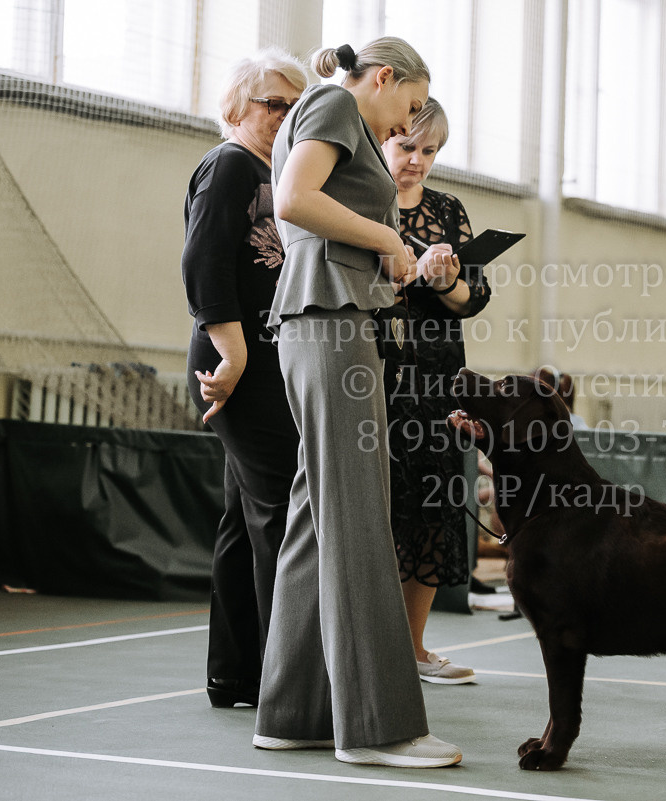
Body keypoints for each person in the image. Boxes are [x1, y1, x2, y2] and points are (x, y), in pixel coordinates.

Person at [252, 38, 461, 768]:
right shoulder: (336, 104)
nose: (406, 126)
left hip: (328, 317)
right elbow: (294, 201)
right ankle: (380, 727)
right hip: (329, 325)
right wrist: (389, 238)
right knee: (359, 514)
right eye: (409, 106)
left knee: (318, 516)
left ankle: (294, 712)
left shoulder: (335, 113)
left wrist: (382, 257)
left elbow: (311, 218)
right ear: (383, 78)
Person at [180, 48, 307, 709]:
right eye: (272, 103)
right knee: (281, 511)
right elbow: (204, 264)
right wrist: (232, 356)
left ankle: (237, 673)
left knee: (244, 516)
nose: (285, 115)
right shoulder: (229, 164)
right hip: (236, 364)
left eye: (294, 105)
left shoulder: (274, 173)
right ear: (236, 108)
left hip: (260, 362)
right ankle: (284, 678)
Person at [379, 98, 490, 685]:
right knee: (380, 508)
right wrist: (406, 274)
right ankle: (366, 646)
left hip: (439, 380)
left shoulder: (448, 209)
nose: (417, 161)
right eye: (407, 147)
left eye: (430, 151)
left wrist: (446, 282)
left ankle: (414, 648)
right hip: (376, 374)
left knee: (430, 508)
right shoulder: (360, 200)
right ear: (383, 137)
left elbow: (475, 298)